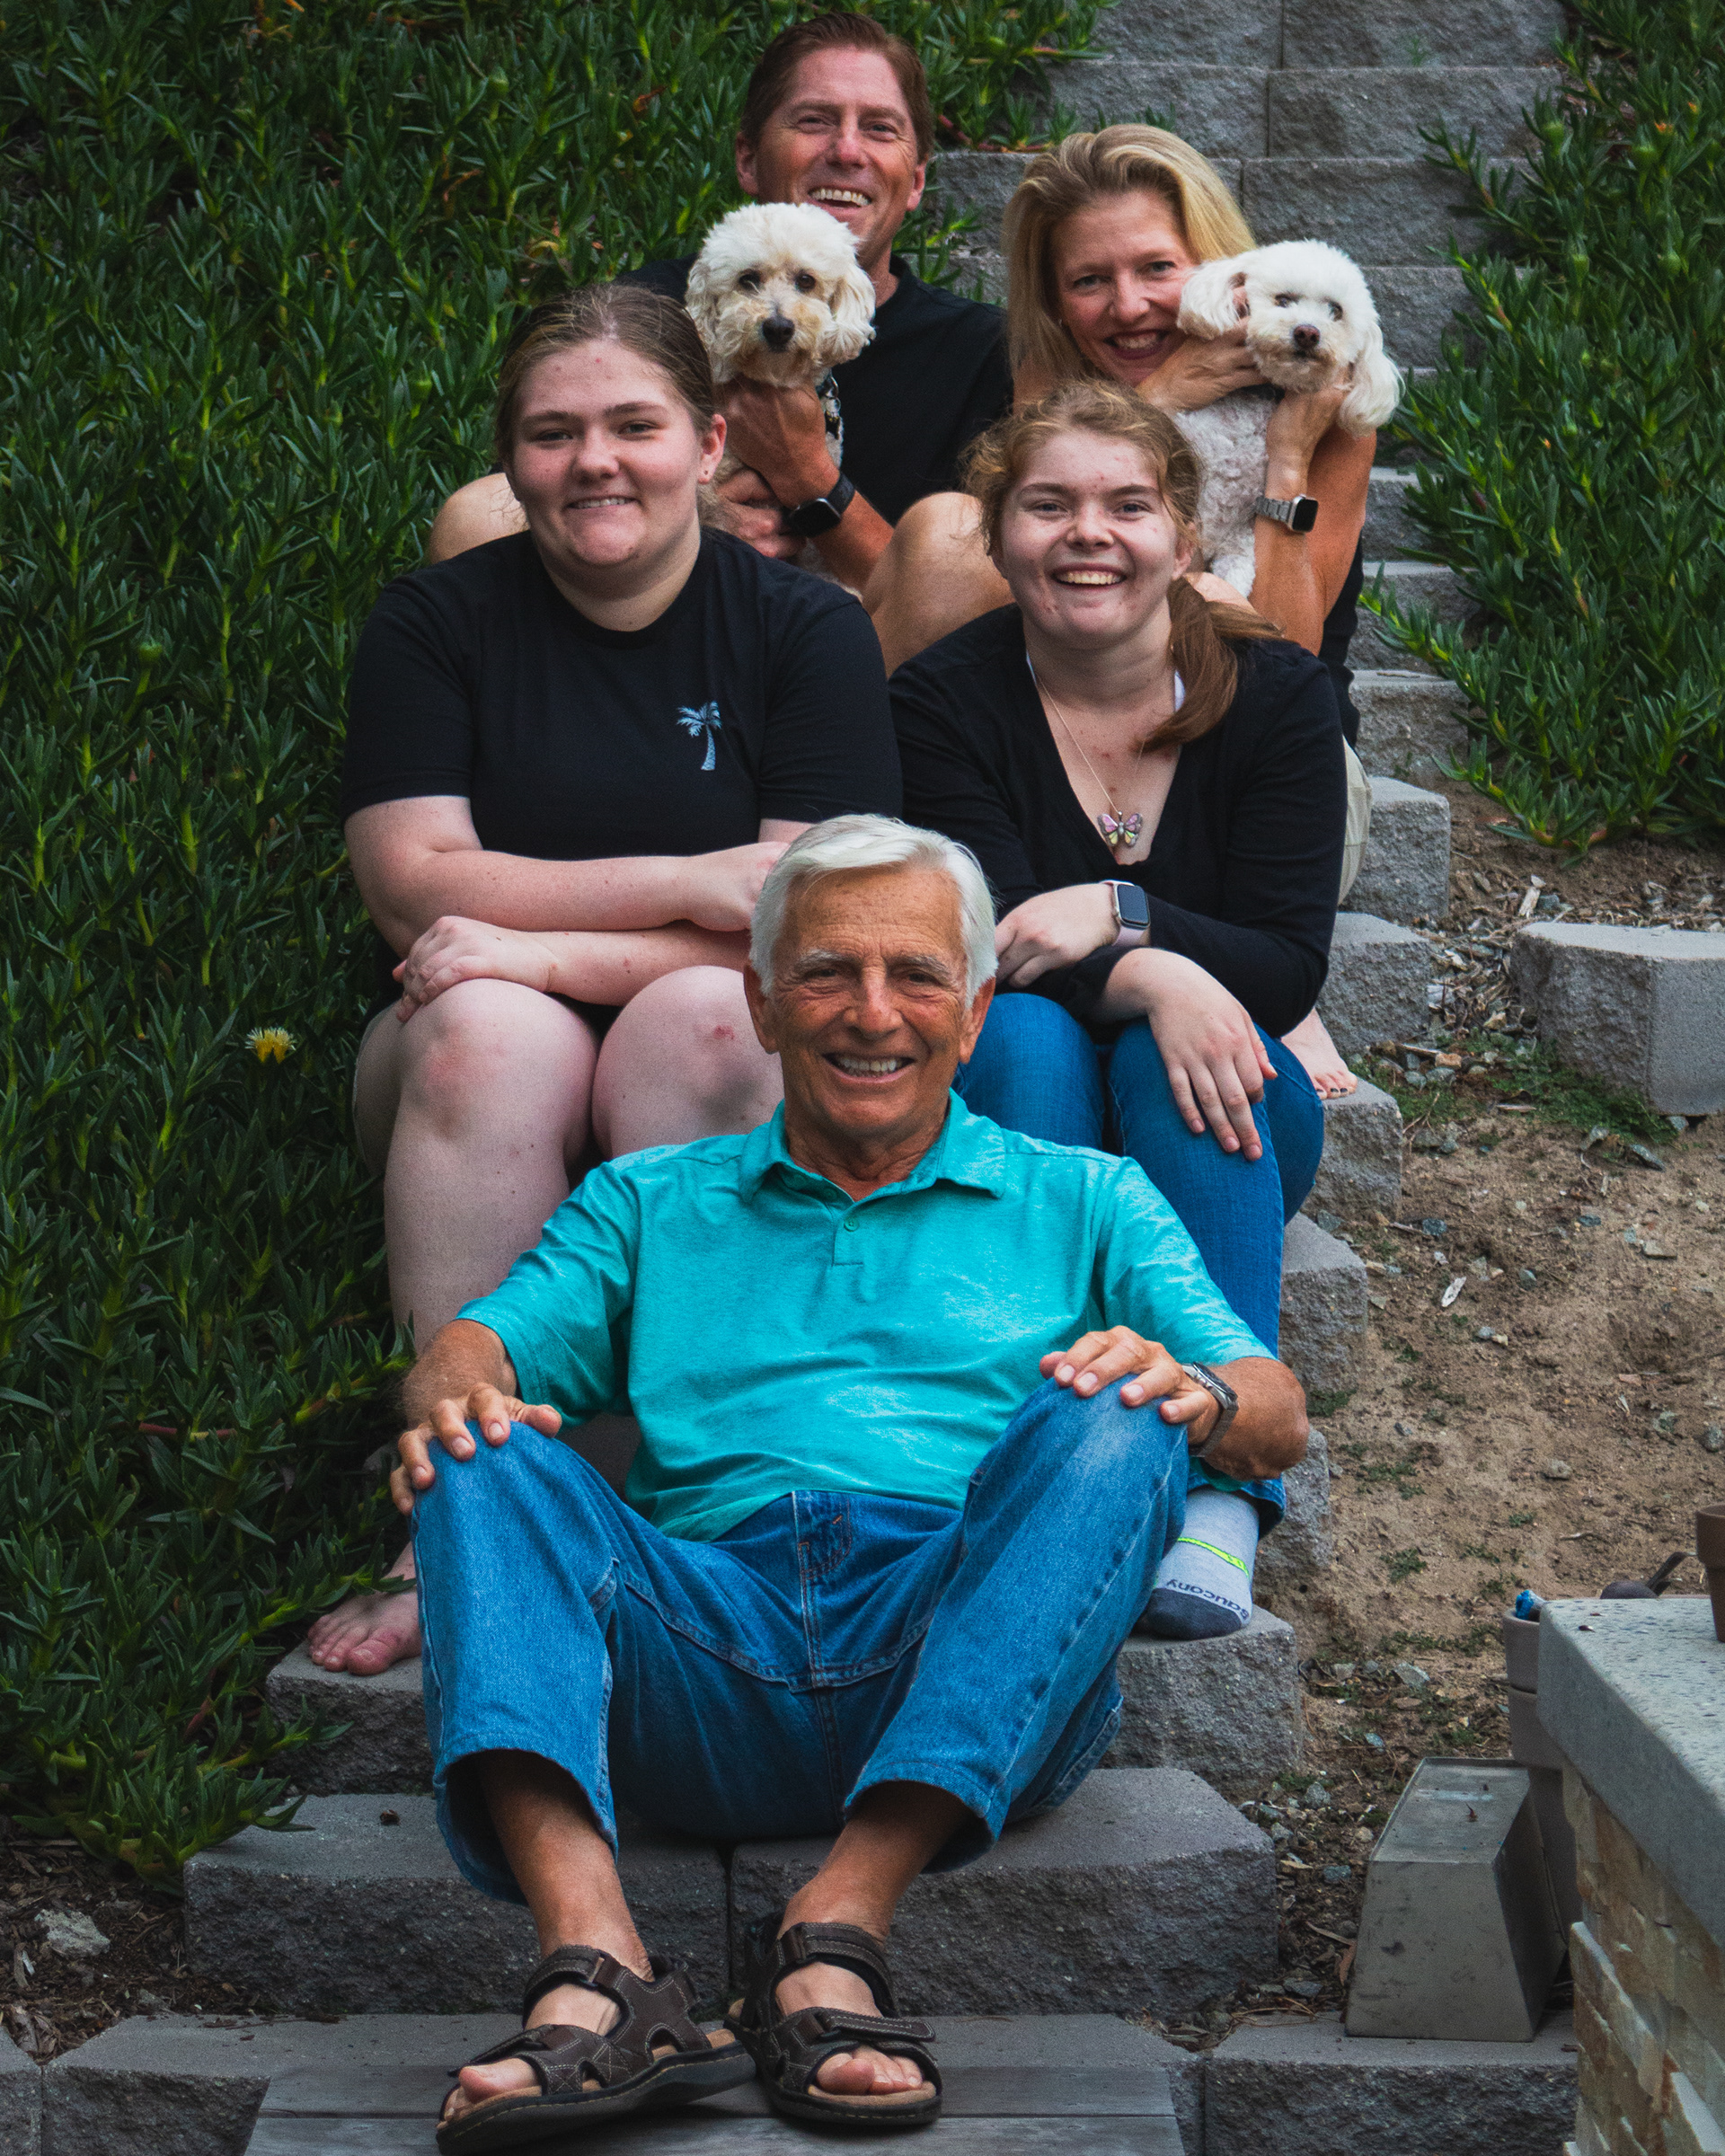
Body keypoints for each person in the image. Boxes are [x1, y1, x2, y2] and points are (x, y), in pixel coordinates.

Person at [400, 815, 1307, 2148]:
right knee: (480, 1448)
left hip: (957, 1638)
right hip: (698, 1652)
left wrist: (1198, 1392)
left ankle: (838, 1924)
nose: (872, 1013)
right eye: (827, 972)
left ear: (977, 1010)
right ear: (763, 1004)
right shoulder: (648, 1201)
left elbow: (1272, 1412)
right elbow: (477, 1347)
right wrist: (458, 1388)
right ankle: (597, 1971)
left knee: (1121, 1407)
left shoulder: (1089, 1196)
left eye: (916, 975)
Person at [306, 284, 900, 1680]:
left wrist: (542, 945)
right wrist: (688, 881)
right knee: (490, 1036)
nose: (595, 463)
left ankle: (683, 1507)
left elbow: (807, 926)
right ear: (510, 461)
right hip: (446, 1041)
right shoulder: (437, 622)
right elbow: (413, 881)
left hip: (696, 1025)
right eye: (553, 433)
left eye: (635, 425)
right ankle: (458, 1527)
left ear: (709, 442)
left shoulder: (806, 633)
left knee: (707, 1021)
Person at [891, 382, 1342, 1642]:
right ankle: (1034, 1455)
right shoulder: (938, 705)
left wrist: (1119, 914)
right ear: (998, 539)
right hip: (1019, 1092)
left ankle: (1223, 1491)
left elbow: (1285, 968)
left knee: (1164, 1055)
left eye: (1127, 506)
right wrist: (1160, 968)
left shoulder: (1280, 697)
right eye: (1049, 505)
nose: (1088, 532)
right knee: (1025, 1033)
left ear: (1184, 538)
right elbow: (984, 945)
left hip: (1221, 1116)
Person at [869, 124, 1376, 1098]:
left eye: (1157, 269)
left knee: (1223, 613)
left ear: (1219, 269)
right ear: (1056, 299)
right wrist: (1163, 402)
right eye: (1090, 280)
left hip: (1261, 775)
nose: (1130, 305)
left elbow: (1288, 649)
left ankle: (1264, 967)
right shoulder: (1050, 380)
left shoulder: (1322, 383)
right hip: (1068, 753)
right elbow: (1024, 564)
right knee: (945, 537)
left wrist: (1284, 459)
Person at [427, 13, 1010, 591]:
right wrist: (688, 523)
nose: (847, 150)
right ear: (747, 159)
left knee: (957, 553)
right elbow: (542, 484)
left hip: (872, 639)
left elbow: (982, 596)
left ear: (916, 181)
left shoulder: (981, 350)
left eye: (880, 128)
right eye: (814, 120)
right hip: (651, 617)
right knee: (478, 516)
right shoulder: (631, 316)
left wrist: (809, 477)